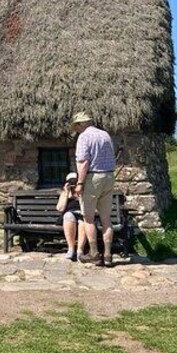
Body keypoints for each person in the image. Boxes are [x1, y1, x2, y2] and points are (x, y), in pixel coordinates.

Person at [71, 112, 116, 267]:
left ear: (81, 124)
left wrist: (80, 183)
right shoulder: (105, 135)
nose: (76, 129)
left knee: (88, 218)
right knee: (106, 219)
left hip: (92, 177)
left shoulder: (84, 137)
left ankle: (94, 253)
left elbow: (83, 162)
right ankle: (109, 255)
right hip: (109, 176)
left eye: (76, 125)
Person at [56, 172, 87, 261]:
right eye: (71, 182)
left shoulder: (84, 192)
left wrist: (80, 196)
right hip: (69, 216)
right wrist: (66, 193)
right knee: (68, 216)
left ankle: (80, 251)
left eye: (75, 181)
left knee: (83, 221)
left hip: (82, 214)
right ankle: (71, 249)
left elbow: (85, 210)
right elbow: (60, 209)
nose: (73, 184)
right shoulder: (65, 193)